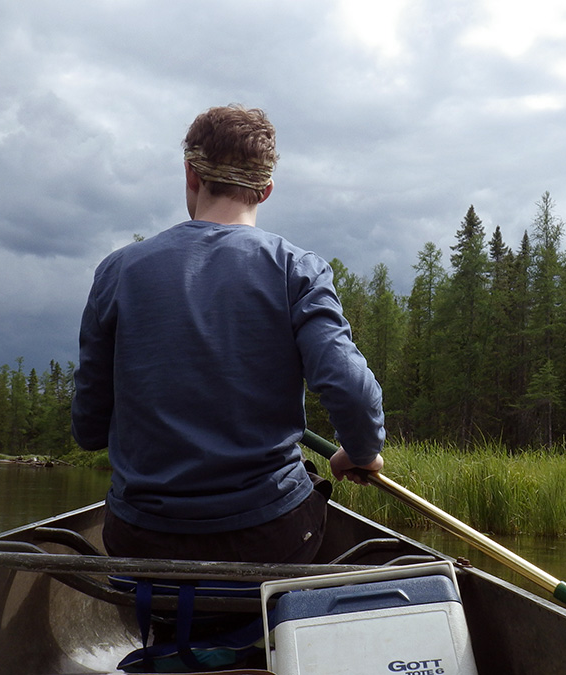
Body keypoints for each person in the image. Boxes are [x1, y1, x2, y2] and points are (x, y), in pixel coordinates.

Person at [71, 104, 385, 565]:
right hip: (270, 533)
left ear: (191, 175)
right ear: (266, 189)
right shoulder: (297, 270)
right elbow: (351, 390)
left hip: (140, 536)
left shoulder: (118, 270)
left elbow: (89, 428)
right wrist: (359, 452)